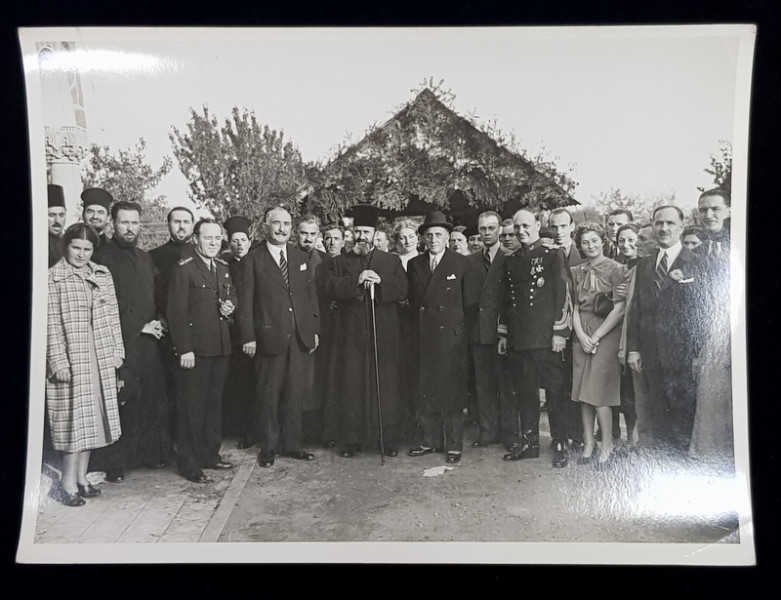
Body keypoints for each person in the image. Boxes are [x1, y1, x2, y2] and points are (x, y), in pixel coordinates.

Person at [89, 201, 171, 483]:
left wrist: (159, 319)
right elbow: (108, 304)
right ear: (113, 223)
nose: (130, 228)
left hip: (149, 341)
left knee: (149, 399)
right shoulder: (102, 257)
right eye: (124, 222)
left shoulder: (144, 257)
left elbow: (156, 295)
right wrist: (140, 325)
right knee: (122, 401)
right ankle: (115, 464)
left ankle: (148, 455)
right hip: (123, 341)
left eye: (135, 223)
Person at [236, 206, 320, 468]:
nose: (282, 228)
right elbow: (245, 303)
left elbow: (310, 297)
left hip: (299, 338)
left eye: (286, 224)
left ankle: (292, 445)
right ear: (266, 226)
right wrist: (248, 336)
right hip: (268, 338)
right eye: (277, 224)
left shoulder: (299, 257)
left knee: (295, 394)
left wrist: (314, 329)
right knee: (268, 395)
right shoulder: (253, 260)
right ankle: (269, 447)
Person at [46, 223, 124, 506]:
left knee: (93, 420)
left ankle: (82, 478)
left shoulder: (102, 274)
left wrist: (117, 351)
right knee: (72, 422)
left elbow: (113, 315)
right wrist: (58, 361)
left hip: (100, 355)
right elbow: (50, 324)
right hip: (72, 357)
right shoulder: (53, 279)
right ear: (66, 246)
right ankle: (66, 483)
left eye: (87, 248)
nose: (81, 254)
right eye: (76, 248)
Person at [323, 204, 408, 458]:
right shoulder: (340, 261)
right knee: (352, 387)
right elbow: (331, 287)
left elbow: (403, 289)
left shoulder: (391, 260)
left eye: (366, 232)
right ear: (352, 233)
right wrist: (356, 281)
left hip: (384, 335)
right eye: (357, 232)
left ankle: (388, 438)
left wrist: (381, 281)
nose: (361, 237)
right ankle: (352, 440)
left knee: (387, 387)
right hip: (351, 337)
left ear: (374, 234)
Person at [626, 205, 705, 453]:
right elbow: (636, 311)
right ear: (652, 225)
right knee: (656, 410)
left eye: (670, 223)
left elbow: (702, 314)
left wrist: (697, 355)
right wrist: (633, 349)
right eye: (659, 223)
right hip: (651, 353)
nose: (664, 228)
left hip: (683, 356)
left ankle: (681, 470)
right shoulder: (644, 266)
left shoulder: (696, 264)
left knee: (682, 415)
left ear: (681, 226)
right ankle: (662, 465)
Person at [498, 209, 572, 468]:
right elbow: (507, 301)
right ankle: (530, 443)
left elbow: (563, 295)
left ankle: (560, 442)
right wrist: (505, 333)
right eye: (517, 227)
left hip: (547, 338)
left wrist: (560, 332)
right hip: (521, 339)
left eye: (526, 226)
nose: (521, 232)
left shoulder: (553, 255)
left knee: (554, 392)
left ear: (538, 225)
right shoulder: (511, 260)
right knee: (526, 393)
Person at [167, 218, 237, 483]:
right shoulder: (184, 269)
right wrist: (184, 349)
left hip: (220, 347)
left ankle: (210, 455)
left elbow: (231, 295)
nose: (213, 243)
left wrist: (231, 305)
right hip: (195, 351)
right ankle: (189, 463)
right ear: (196, 239)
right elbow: (176, 312)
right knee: (191, 408)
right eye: (208, 238)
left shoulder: (222, 266)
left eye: (217, 238)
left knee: (213, 406)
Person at [407, 211, 469, 464]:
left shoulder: (461, 263)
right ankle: (428, 440)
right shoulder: (415, 264)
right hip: (424, 335)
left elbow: (469, 303)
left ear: (447, 237)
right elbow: (412, 302)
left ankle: (454, 444)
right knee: (426, 388)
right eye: (429, 235)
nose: (433, 239)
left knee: (452, 392)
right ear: (422, 238)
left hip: (452, 339)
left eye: (438, 235)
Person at [570, 223, 630, 467]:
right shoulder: (576, 271)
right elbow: (572, 307)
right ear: (580, 245)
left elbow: (619, 308)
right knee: (583, 393)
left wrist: (595, 337)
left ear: (603, 241)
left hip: (606, 332)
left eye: (594, 240)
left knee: (599, 393)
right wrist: (582, 336)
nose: (590, 245)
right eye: (585, 242)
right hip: (581, 330)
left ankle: (607, 443)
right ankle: (588, 442)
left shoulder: (618, 269)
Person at [690, 189, 733, 466]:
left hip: (738, 329)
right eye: (704, 210)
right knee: (711, 396)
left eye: (715, 209)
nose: (709, 215)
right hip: (711, 335)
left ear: (728, 210)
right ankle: (711, 459)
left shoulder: (742, 244)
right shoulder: (695, 253)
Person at [463, 211, 512, 450]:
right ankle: (488, 431)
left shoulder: (510, 257)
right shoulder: (470, 261)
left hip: (504, 332)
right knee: (483, 384)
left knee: (506, 384)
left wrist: (505, 329)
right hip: (478, 332)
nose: (486, 233)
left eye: (491, 228)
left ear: (500, 229)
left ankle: (509, 433)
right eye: (482, 229)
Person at [220, 215, 257, 449]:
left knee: (253, 384)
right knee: (234, 383)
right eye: (235, 240)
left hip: (252, 331)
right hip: (229, 332)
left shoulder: (257, 261)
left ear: (250, 241)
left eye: (243, 240)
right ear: (229, 242)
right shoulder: (223, 265)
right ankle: (236, 430)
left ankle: (252, 431)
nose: (240, 244)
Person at [295, 214, 331, 445]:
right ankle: (295, 433)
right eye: (303, 233)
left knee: (318, 381)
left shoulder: (326, 261)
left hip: (321, 326)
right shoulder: (286, 257)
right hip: (295, 327)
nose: (307, 238)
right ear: (295, 234)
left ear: (318, 236)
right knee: (297, 382)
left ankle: (316, 432)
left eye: (312, 234)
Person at [48, 184, 67, 268]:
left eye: (61, 215)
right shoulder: (39, 242)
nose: (57, 221)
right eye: (52, 215)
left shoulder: (69, 241)